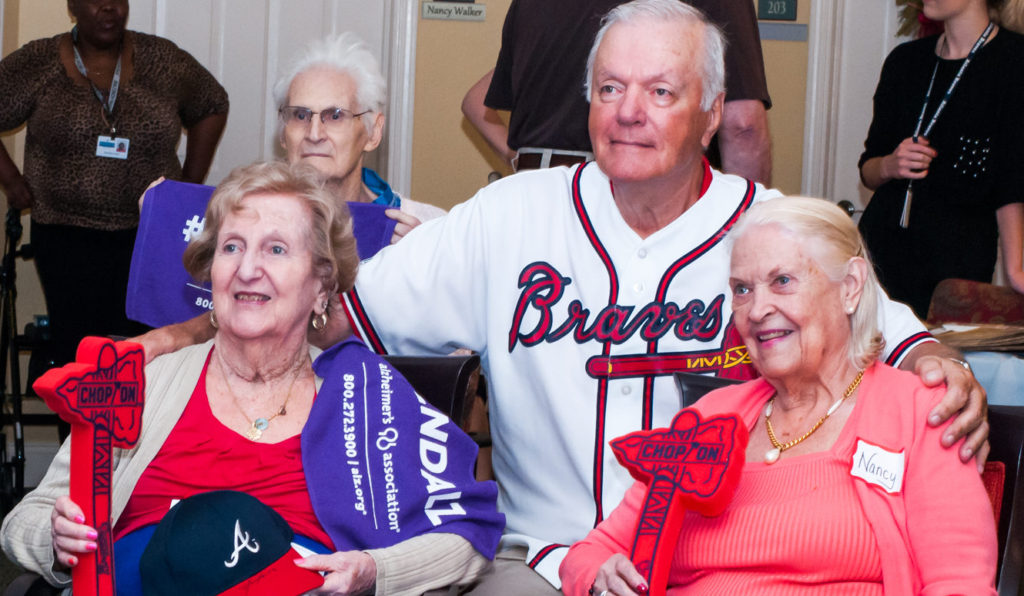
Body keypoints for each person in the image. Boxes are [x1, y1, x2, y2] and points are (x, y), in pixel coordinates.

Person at [136, 1, 989, 591]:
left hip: (712, 564)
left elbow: (894, 333)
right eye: (610, 89)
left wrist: (942, 362)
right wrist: (180, 339)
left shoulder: (768, 230)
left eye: (662, 92)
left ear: (711, 110)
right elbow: (325, 302)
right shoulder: (510, 216)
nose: (629, 112)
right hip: (538, 560)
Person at [0, 161, 504, 595]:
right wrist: (55, 535)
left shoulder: (367, 395)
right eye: (232, 247)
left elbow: (467, 536)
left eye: (277, 250)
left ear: (321, 287)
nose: (247, 269)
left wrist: (376, 570)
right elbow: (25, 519)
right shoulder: (143, 382)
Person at [559, 196, 998, 595]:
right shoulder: (709, 417)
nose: (757, 309)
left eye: (782, 280)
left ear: (849, 287)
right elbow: (591, 552)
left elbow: (959, 583)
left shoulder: (920, 411)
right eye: (742, 289)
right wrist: (602, 576)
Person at [0, 0, 229, 368]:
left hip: (148, 238)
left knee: (145, 353)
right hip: (65, 238)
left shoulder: (161, 59)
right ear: (73, 6)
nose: (108, 7)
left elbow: (212, 103)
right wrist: (11, 181)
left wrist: (187, 187)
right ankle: (79, 427)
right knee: (79, 355)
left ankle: (143, 428)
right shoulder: (39, 62)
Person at [461, 0, 772, 183]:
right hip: (624, 196)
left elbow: (475, 101)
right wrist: (752, 240)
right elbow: (743, 126)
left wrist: (525, 160)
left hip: (529, 195)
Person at [858, 0, 1024, 318]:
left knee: (941, 366)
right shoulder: (904, 61)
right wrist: (890, 165)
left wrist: (1014, 269)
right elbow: (868, 170)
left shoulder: (1014, 61)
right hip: (880, 259)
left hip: (956, 271)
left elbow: (1012, 180)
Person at [274, 32, 445, 243]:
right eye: (300, 115)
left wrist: (424, 264)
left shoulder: (430, 228)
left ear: (373, 132)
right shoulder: (245, 220)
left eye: (335, 116)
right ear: (283, 133)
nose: (314, 134)